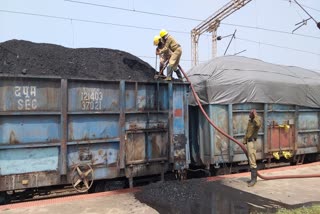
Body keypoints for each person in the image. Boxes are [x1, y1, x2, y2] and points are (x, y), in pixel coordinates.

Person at [243, 109, 261, 187]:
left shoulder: (256, 122)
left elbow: (258, 125)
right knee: (250, 160)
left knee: (252, 161)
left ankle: (254, 180)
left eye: (250, 113)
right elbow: (247, 132)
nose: (249, 114)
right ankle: (252, 179)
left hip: (252, 143)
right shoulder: (250, 122)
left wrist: (255, 115)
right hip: (249, 142)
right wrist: (244, 141)